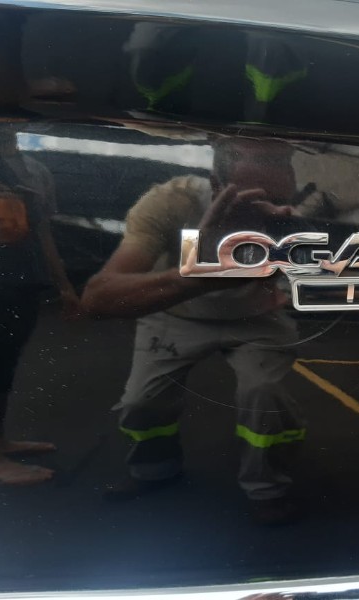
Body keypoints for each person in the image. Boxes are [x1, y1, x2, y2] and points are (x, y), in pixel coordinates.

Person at [82, 138, 308, 519]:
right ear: (216, 186)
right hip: (178, 312)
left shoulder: (293, 218)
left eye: (281, 199)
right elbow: (97, 297)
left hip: (256, 318)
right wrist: (193, 278)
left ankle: (267, 487)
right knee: (142, 402)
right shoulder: (173, 203)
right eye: (254, 200)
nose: (272, 211)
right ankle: (153, 468)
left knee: (265, 394)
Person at [0, 123, 83, 485]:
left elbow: (40, 229)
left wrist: (63, 284)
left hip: (18, 277)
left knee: (2, 363)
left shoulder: (9, 163)